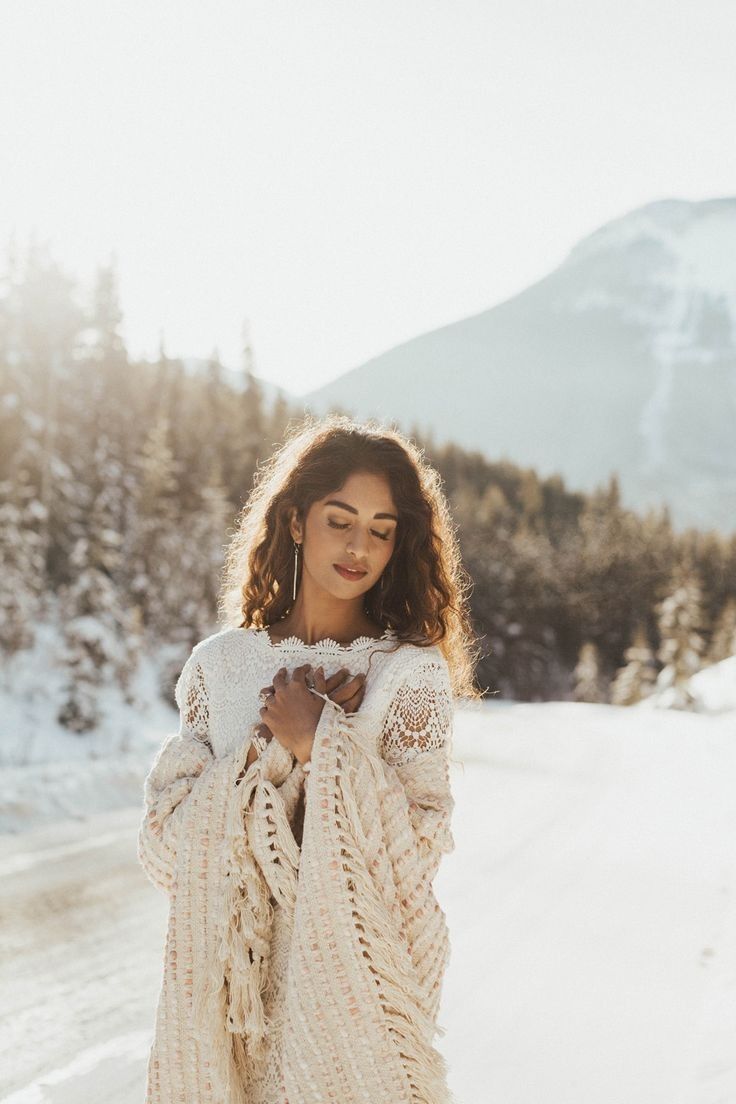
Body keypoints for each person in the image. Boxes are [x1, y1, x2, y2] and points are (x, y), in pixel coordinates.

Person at [137, 414, 480, 1104]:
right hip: (231, 1013)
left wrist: (323, 743)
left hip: (349, 1007)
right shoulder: (221, 666)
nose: (359, 546)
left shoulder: (407, 676)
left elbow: (414, 854)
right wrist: (280, 748)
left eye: (381, 530)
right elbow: (167, 848)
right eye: (340, 520)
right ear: (295, 522)